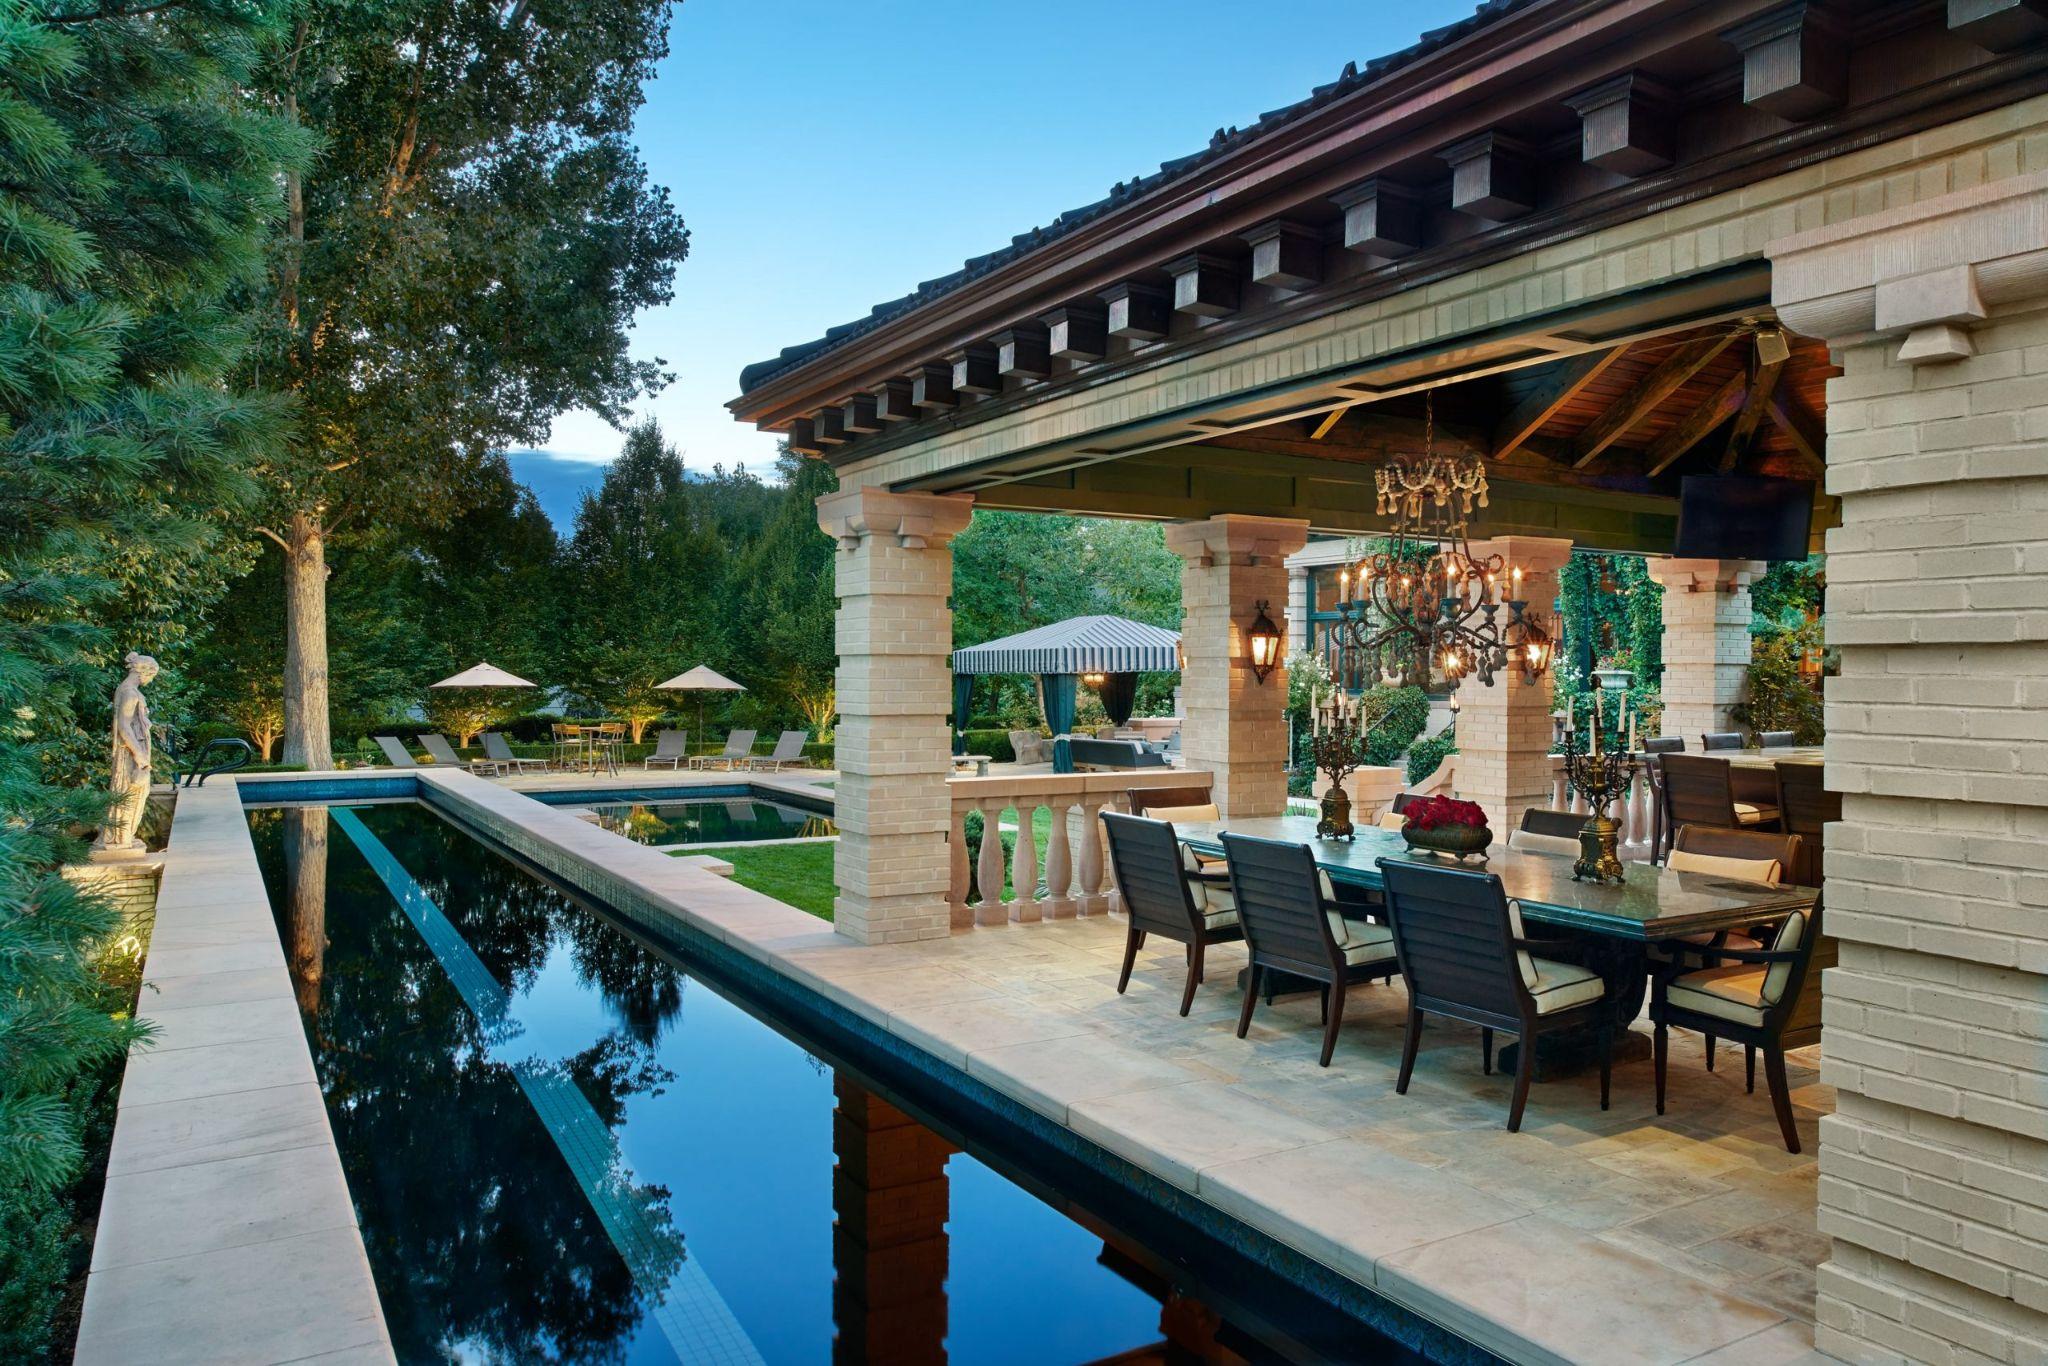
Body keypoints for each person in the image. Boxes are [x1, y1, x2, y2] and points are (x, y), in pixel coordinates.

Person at [93, 652, 160, 856]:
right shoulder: (130, 692)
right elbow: (124, 725)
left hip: (131, 749)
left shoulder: (124, 688)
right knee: (132, 792)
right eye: (152, 676)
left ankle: (121, 835)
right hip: (131, 752)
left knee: (129, 792)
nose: (150, 680)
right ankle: (121, 837)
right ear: (144, 672)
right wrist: (140, 755)